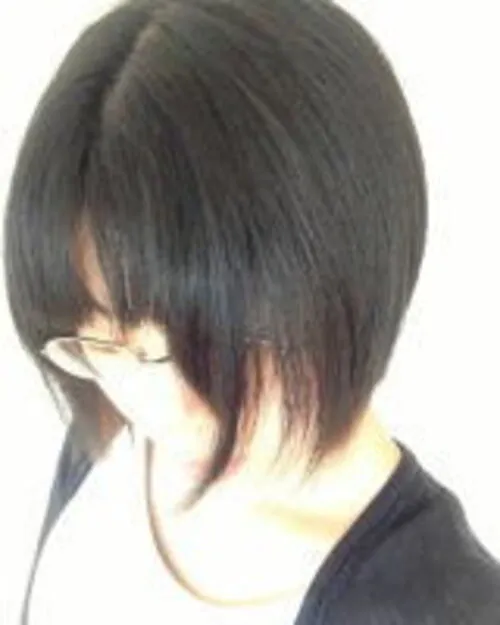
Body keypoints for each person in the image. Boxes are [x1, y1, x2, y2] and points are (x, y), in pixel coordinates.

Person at [3, 0, 499, 623]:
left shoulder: (439, 607)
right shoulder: (113, 424)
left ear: (350, 276)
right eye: (110, 344)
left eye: (218, 344)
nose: (165, 412)